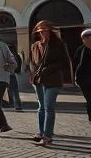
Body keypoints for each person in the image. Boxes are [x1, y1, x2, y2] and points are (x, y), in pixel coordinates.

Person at [29, 20, 71, 148]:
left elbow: (64, 61)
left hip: (53, 79)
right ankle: (41, 132)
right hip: (39, 80)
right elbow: (32, 62)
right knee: (41, 107)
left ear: (50, 31)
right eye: (41, 31)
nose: (43, 33)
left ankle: (48, 135)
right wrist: (33, 74)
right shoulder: (35, 46)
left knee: (48, 106)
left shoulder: (58, 43)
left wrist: (49, 69)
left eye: (45, 31)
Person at [74, 29, 91, 122]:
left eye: (89, 38)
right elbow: (75, 64)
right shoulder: (80, 51)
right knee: (89, 98)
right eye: (85, 38)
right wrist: (76, 78)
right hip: (84, 80)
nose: (88, 40)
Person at [5, 44, 24, 112]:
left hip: (8, 74)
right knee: (15, 91)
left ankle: (11, 103)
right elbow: (18, 65)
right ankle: (18, 105)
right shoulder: (17, 55)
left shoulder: (8, 56)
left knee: (9, 90)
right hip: (13, 74)